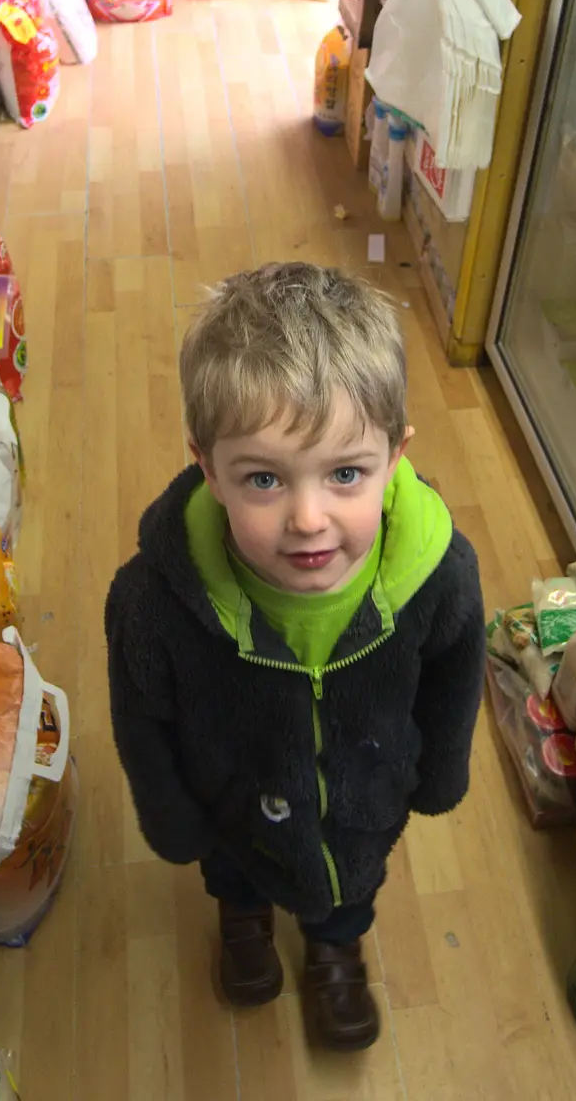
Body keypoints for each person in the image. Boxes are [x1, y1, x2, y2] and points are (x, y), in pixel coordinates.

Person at [105, 262, 485, 1051]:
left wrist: (442, 769)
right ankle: (242, 924)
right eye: (264, 479)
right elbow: (139, 717)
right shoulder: (151, 602)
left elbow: (455, 673)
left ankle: (335, 945)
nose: (308, 519)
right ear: (207, 468)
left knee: (350, 884)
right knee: (236, 872)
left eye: (346, 473)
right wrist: (171, 817)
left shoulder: (438, 573)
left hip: (364, 799)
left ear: (394, 456)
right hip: (231, 805)